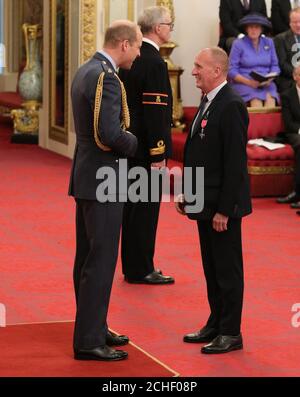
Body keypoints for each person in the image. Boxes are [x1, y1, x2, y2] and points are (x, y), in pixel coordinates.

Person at [68, 20, 142, 361]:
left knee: (87, 257)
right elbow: (111, 133)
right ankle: (89, 340)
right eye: (138, 46)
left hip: (86, 175)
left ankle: (94, 326)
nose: (139, 53)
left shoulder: (86, 69)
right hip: (105, 179)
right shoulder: (106, 78)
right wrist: (134, 143)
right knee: (100, 260)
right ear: (124, 44)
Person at [176, 47, 252, 354]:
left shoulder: (231, 105)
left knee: (227, 269)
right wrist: (187, 193)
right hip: (203, 201)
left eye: (198, 66)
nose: (193, 71)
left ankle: (231, 332)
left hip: (223, 207)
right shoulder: (208, 102)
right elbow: (199, 155)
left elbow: (235, 163)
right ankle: (216, 322)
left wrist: (224, 210)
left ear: (216, 71)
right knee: (211, 267)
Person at [119, 6, 174, 285]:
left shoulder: (132, 58)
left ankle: (133, 264)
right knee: (145, 210)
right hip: (146, 150)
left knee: (133, 207)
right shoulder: (154, 62)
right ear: (157, 28)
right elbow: (155, 112)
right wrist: (158, 152)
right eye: (169, 24)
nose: (170, 28)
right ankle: (141, 268)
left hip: (130, 145)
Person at [228, 13, 280, 107]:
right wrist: (249, 82)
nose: (253, 30)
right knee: (256, 102)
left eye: (256, 27)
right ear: (246, 29)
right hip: (244, 84)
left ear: (261, 29)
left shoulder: (269, 42)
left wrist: (269, 79)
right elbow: (231, 70)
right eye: (250, 27)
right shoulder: (238, 44)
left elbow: (275, 66)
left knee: (270, 101)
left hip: (266, 84)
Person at [277, 65, 300, 210]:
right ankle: (297, 192)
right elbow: (288, 123)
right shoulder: (286, 95)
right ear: (294, 76)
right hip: (295, 133)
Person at [274, 7, 300, 93]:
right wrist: (297, 75)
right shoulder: (280, 39)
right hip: (289, 79)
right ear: (290, 23)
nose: (298, 25)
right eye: (295, 22)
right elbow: (282, 64)